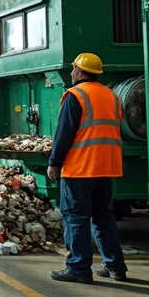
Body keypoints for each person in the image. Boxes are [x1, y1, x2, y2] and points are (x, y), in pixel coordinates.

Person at [47, 53, 128, 284]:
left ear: (78, 72)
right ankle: (115, 266)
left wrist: (54, 162)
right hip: (107, 166)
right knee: (104, 218)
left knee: (76, 218)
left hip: (80, 168)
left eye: (73, 69)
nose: (72, 72)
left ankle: (79, 268)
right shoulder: (112, 96)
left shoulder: (76, 96)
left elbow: (64, 133)